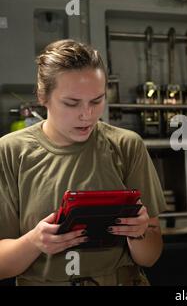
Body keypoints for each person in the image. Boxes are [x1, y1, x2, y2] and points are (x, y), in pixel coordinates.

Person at [0, 39, 167, 285]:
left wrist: (140, 233)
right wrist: (34, 242)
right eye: (72, 103)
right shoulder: (10, 152)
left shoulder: (126, 145)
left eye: (97, 100)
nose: (86, 114)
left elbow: (150, 258)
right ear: (43, 96)